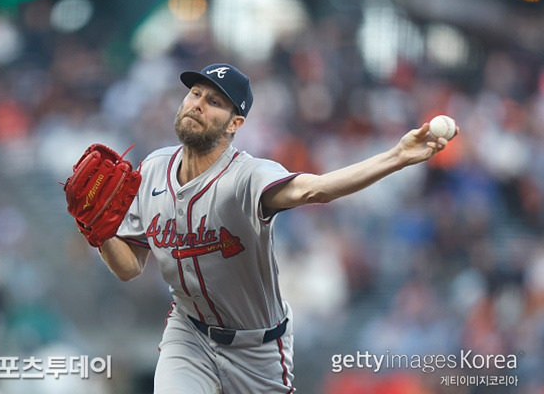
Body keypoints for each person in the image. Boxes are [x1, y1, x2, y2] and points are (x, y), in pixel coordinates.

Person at [97, 63, 458, 393]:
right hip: (188, 333)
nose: (198, 104)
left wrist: (396, 156)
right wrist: (98, 233)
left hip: (257, 346)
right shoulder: (152, 169)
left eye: (215, 102)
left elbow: (315, 189)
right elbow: (129, 267)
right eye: (195, 94)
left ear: (235, 123)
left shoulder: (247, 176)